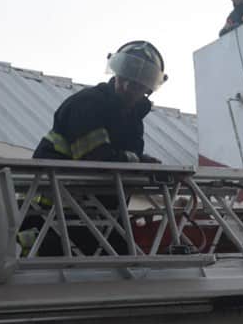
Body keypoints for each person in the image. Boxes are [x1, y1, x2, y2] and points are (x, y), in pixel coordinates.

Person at [27, 40, 167, 255]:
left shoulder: (132, 118)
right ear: (115, 73)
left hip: (95, 216)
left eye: (137, 83)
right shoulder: (88, 104)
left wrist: (146, 168)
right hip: (49, 216)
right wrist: (140, 164)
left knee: (129, 268)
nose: (129, 87)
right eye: (125, 78)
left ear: (148, 88)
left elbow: (124, 163)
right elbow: (96, 160)